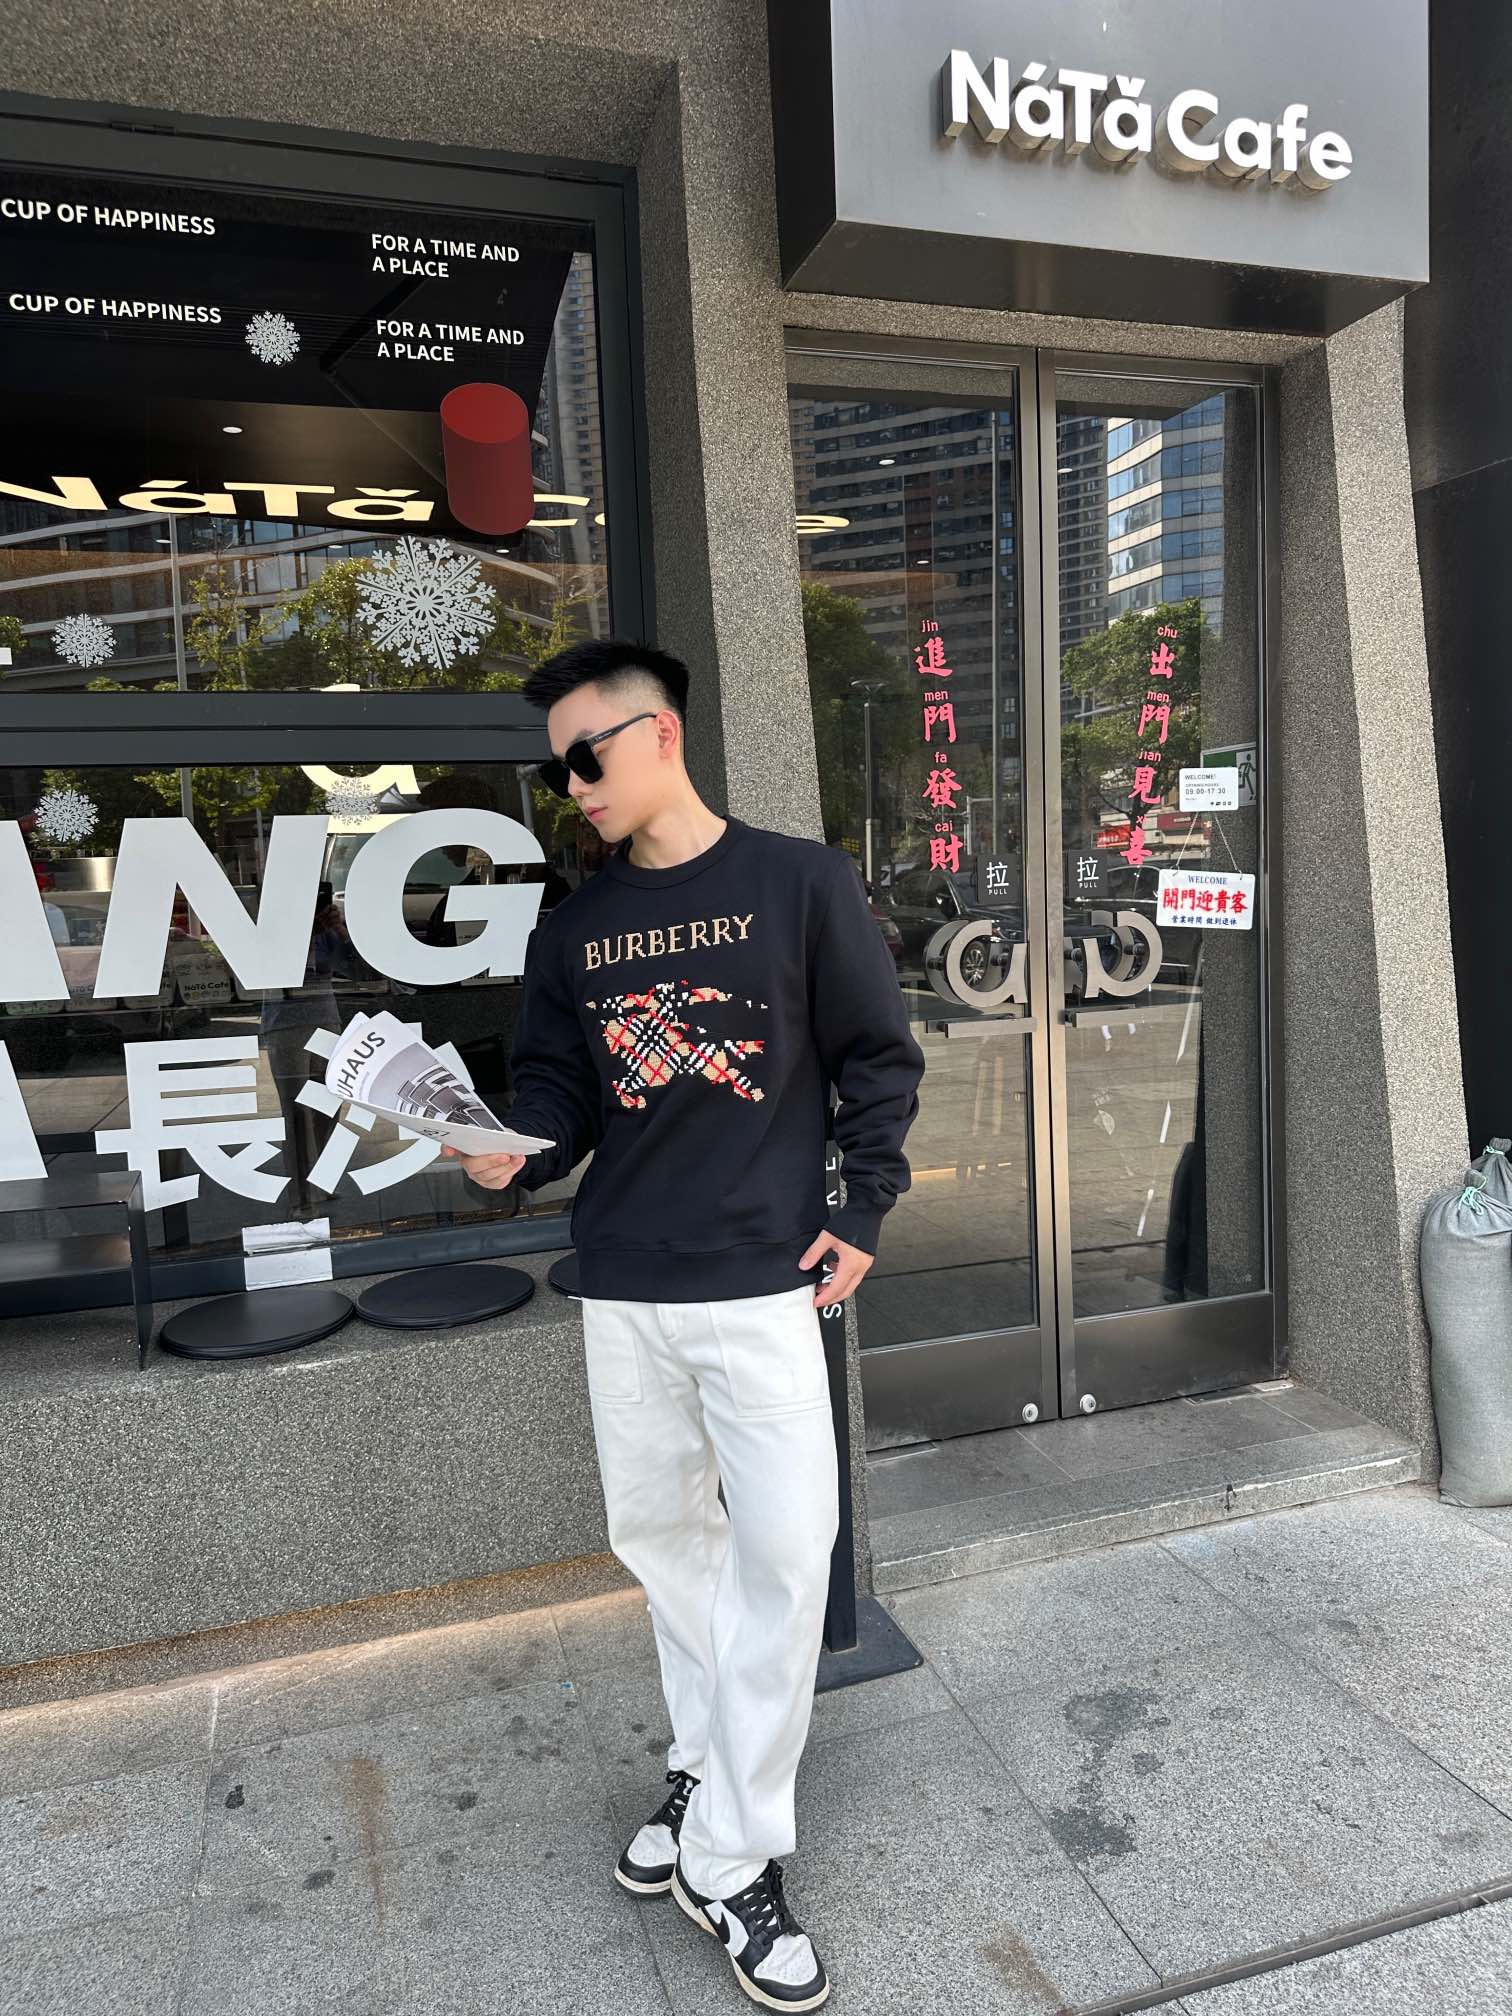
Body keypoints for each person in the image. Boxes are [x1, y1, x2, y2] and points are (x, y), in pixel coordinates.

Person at [443, 638, 924, 2011]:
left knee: (786, 1555)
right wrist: (512, 1153)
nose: (572, 785)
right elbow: (561, 1093)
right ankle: (706, 1771)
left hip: (764, 1282)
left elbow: (878, 1058)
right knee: (668, 1551)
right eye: (556, 770)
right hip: (625, 1285)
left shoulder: (799, 882)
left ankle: (729, 1853)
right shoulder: (575, 930)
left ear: (660, 734)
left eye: (585, 756)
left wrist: (866, 1204)